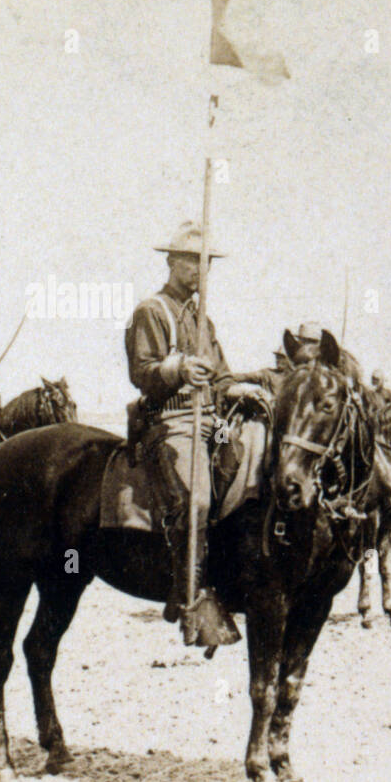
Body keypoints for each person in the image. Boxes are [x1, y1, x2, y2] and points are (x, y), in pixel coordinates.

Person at [125, 221, 268, 648]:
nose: (200, 271)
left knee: (257, 475)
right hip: (171, 421)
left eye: (207, 264)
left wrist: (238, 387)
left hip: (212, 421)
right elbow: (142, 372)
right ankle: (187, 596)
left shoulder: (203, 321)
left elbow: (221, 378)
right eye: (192, 261)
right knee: (197, 499)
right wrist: (177, 369)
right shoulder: (152, 311)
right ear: (171, 262)